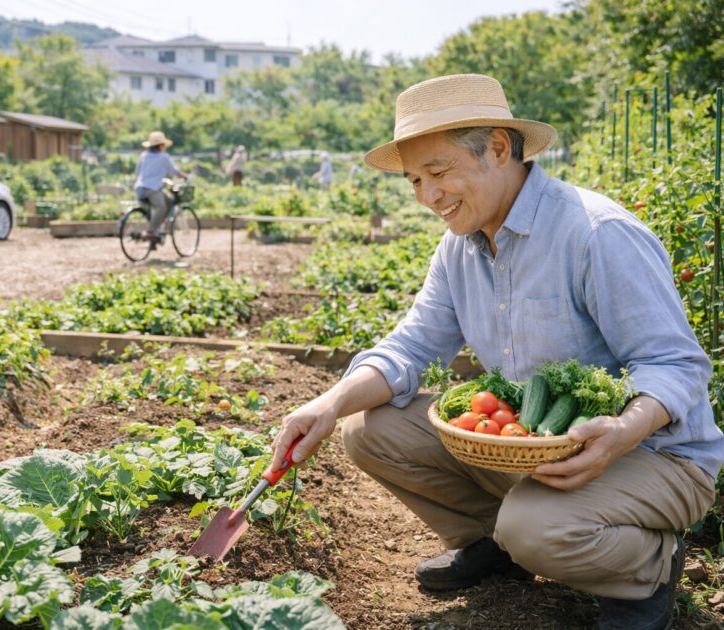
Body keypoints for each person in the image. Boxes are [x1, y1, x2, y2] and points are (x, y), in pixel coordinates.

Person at [268, 74, 724, 629]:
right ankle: (498, 544)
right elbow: (412, 345)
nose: (428, 196)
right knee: (370, 430)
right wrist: (329, 402)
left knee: (537, 528)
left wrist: (624, 430)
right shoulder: (459, 247)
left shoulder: (594, 233)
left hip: (653, 455)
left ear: (500, 148)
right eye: (414, 181)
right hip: (540, 451)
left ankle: (646, 569)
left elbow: (675, 365)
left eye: (438, 173)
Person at [133, 130, 187, 243]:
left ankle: (156, 227)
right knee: (162, 207)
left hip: (140, 188)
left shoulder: (144, 155)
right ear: (161, 145)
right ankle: (151, 230)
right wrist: (184, 176)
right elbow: (174, 171)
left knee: (168, 202)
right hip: (152, 188)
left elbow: (137, 172)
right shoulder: (164, 157)